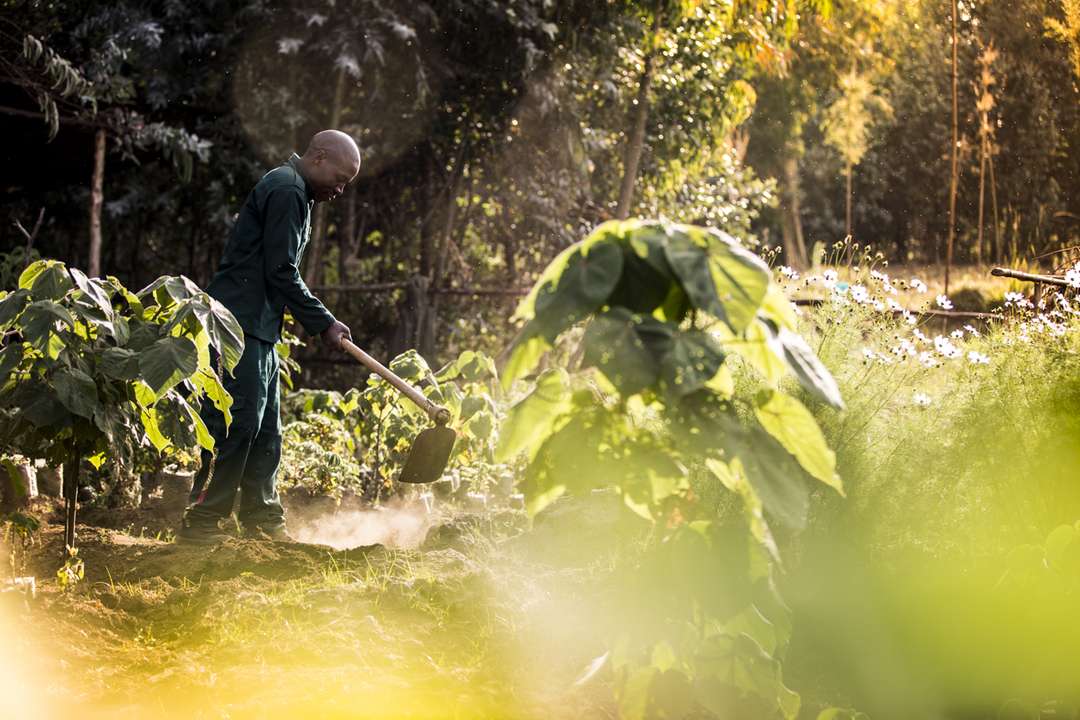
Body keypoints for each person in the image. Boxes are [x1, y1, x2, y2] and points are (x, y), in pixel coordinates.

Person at [177, 130, 360, 544]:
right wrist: (324, 322)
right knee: (233, 424)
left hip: (258, 328)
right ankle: (202, 522)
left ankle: (263, 521)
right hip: (237, 326)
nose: (341, 188)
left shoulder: (298, 192)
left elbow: (276, 270)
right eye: (340, 175)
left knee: (265, 430)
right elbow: (281, 271)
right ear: (318, 157)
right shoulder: (287, 189)